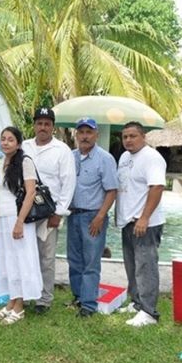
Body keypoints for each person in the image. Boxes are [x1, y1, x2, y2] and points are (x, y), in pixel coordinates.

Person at [22, 107, 76, 314]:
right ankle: (26, 295)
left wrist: (59, 213)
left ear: (52, 127)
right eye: (39, 123)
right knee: (26, 254)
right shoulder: (24, 146)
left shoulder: (61, 150)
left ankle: (44, 299)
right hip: (25, 210)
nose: (43, 127)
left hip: (48, 212)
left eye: (47, 124)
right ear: (34, 125)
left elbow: (68, 182)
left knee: (46, 257)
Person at [0, 127, 42, 325]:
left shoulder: (25, 162)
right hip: (3, 217)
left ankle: (20, 307)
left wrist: (20, 221)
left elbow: (30, 193)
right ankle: (11, 301)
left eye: (10, 139)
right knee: (8, 261)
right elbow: (0, 194)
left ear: (18, 144)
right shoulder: (3, 162)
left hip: (17, 218)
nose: (5, 142)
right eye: (3, 139)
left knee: (20, 260)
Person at [116, 121, 166, 327]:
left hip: (146, 222)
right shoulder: (125, 157)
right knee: (132, 265)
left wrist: (144, 218)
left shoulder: (152, 157)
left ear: (143, 136)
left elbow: (156, 187)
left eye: (133, 136)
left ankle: (149, 312)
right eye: (125, 136)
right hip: (128, 221)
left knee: (146, 266)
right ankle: (136, 303)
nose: (128, 140)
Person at [66, 118, 118, 317]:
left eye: (89, 132)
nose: (85, 136)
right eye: (81, 132)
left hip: (93, 217)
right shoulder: (71, 157)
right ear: (76, 135)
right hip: (73, 215)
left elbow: (112, 190)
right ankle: (78, 297)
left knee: (91, 261)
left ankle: (88, 305)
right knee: (74, 259)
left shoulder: (104, 159)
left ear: (96, 134)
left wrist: (100, 216)